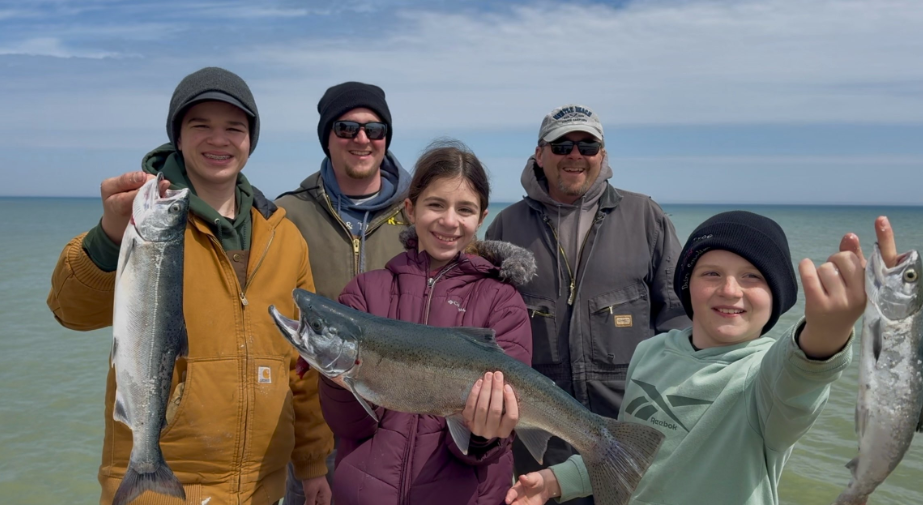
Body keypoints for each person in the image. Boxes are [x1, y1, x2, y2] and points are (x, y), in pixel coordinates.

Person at [46, 67, 333, 505]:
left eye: (234, 128)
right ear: (177, 137)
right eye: (200, 126)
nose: (219, 139)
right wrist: (107, 236)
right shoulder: (141, 220)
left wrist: (312, 464)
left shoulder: (284, 235)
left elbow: (301, 364)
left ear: (250, 142)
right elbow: (72, 312)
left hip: (261, 488)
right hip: (159, 491)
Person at [506, 211, 889, 505]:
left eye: (753, 277)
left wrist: (829, 328)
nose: (730, 290)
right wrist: (557, 480)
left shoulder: (763, 375)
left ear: (777, 296)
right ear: (687, 286)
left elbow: (802, 373)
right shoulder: (650, 352)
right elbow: (623, 454)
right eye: (711, 273)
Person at [318, 142, 534, 505]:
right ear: (409, 208)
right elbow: (348, 427)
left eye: (465, 210)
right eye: (435, 204)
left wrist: (483, 434)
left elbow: (487, 449)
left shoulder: (503, 303)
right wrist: (338, 380)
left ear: (481, 218)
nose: (450, 221)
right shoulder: (364, 294)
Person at [485, 104, 690, 487]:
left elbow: (679, 318)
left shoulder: (646, 216)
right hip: (541, 433)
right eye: (562, 146)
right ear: (540, 155)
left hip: (630, 423)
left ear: (603, 155)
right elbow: (488, 331)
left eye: (588, 146)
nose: (575, 155)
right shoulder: (504, 225)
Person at [275, 82, 412, 502]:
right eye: (346, 127)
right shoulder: (287, 213)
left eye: (375, 129)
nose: (362, 139)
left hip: (401, 431)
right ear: (327, 137)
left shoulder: (419, 215)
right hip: (314, 434)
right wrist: (310, 459)